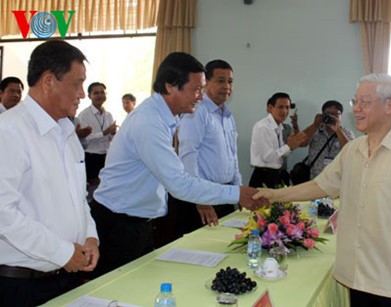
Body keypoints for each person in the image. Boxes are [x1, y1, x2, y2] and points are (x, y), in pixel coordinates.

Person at [254, 73, 391, 306]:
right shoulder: (353, 150)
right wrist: (274, 195)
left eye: (365, 102)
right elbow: (319, 185)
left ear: (389, 105)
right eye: (356, 102)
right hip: (355, 274)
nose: (357, 109)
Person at [90, 52, 266, 277]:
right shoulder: (149, 122)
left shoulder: (166, 117)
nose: (201, 97)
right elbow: (178, 182)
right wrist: (237, 193)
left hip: (139, 221)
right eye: (196, 89)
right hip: (119, 223)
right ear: (171, 86)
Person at [0, 40, 99, 306]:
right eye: (77, 84)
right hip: (20, 285)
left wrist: (90, 236)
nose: (82, 94)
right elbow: (3, 214)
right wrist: (62, 252)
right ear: (48, 81)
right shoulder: (9, 131)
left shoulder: (67, 132)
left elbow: (79, 199)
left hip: (64, 277)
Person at [171, 59, 241, 236]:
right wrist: (199, 198)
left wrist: (239, 190)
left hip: (224, 195)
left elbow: (233, 157)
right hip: (201, 199)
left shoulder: (227, 115)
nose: (226, 86)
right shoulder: (197, 112)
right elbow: (188, 156)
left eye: (230, 81)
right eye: (220, 80)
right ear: (205, 83)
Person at [249, 92, 308, 188]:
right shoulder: (263, 127)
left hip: (277, 175)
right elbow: (268, 157)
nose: (284, 111)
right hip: (263, 176)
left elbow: (281, 156)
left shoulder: (279, 127)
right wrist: (288, 146)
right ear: (270, 108)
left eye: (287, 107)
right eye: (281, 107)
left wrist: (292, 146)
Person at [77, 82, 117, 186]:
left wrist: (112, 133)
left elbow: (111, 139)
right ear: (89, 96)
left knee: (106, 188)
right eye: (96, 93)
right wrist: (104, 132)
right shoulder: (84, 115)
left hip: (106, 158)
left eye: (102, 92)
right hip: (91, 159)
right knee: (92, 191)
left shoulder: (108, 115)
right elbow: (83, 139)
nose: (100, 95)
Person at [303, 100, 355, 179]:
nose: (332, 117)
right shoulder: (315, 130)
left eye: (336, 114)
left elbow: (350, 151)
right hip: (315, 178)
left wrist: (337, 130)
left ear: (341, 115)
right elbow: (301, 143)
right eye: (328, 114)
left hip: (338, 180)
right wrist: (315, 125)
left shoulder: (347, 133)